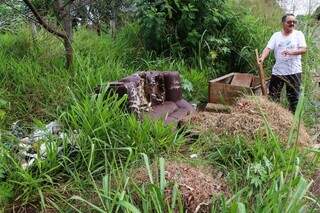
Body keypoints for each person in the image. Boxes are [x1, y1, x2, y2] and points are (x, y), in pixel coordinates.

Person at [258, 13, 307, 112]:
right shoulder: (276, 35)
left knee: (294, 98)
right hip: (278, 72)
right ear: (283, 23)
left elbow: (304, 49)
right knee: (273, 96)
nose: (292, 23)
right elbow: (268, 48)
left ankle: (294, 120)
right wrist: (262, 58)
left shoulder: (298, 34)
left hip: (294, 71)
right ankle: (274, 116)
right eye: (289, 22)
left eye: (294, 22)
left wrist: (291, 52)